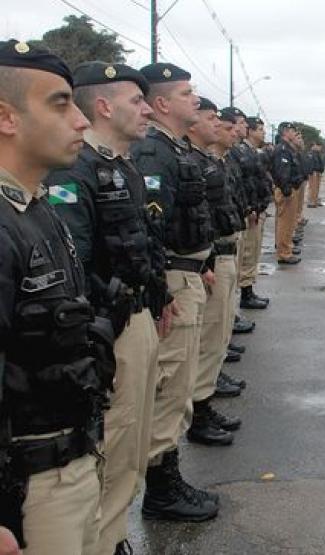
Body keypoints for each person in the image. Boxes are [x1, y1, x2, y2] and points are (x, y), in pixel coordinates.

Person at [43, 60, 167, 555]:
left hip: (136, 317)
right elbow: (74, 266)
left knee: (131, 444)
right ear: (103, 105)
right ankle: (104, 540)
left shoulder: (123, 166)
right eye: (136, 101)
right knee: (111, 445)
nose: (146, 109)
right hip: (108, 331)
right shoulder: (75, 169)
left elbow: (139, 244)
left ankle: (114, 535)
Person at [0, 39, 115, 554]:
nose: (82, 121)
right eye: (59, 103)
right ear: (6, 118)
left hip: (71, 464)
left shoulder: (36, 207)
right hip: (30, 489)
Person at [129, 62, 220, 523]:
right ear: (162, 103)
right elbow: (150, 228)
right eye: (187, 93)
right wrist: (163, 287)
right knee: (169, 388)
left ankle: (166, 479)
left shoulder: (171, 147)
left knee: (179, 383)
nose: (195, 99)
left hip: (185, 273)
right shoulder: (154, 152)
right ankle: (161, 489)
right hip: (171, 282)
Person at [183, 99, 244, 450]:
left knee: (216, 332)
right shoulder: (185, 159)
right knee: (204, 339)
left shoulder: (206, 160)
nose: (220, 125)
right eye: (212, 119)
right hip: (199, 262)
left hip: (214, 253)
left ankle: (204, 400)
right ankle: (200, 410)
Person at [236, 116, 272, 309]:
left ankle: (248, 291)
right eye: (259, 129)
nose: (263, 132)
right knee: (247, 252)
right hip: (250, 211)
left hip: (257, 208)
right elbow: (243, 184)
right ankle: (245, 294)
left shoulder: (253, 152)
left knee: (253, 251)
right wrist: (249, 207)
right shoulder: (240, 152)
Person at [271, 123, 305, 264]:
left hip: (291, 187)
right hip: (286, 189)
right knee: (285, 222)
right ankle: (284, 253)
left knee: (289, 222)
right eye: (292, 130)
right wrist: (287, 190)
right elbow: (282, 173)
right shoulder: (282, 149)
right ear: (285, 132)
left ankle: (287, 247)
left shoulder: (287, 149)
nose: (294, 133)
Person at [306, 142, 325, 208]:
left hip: (317, 172)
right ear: (312, 147)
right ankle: (311, 202)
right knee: (312, 188)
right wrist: (312, 172)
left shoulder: (317, 154)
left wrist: (320, 171)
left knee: (316, 188)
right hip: (313, 172)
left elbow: (319, 163)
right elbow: (310, 164)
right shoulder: (310, 154)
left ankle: (315, 201)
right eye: (315, 146)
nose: (317, 147)